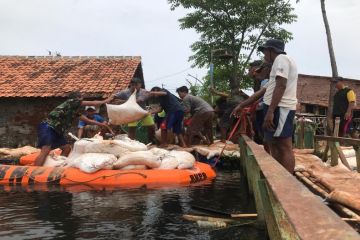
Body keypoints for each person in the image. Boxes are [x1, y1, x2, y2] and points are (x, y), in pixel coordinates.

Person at [232, 39, 298, 173]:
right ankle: (280, 174)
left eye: (264, 51)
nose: (264, 55)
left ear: (271, 50)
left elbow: (281, 85)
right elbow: (263, 91)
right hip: (274, 108)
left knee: (284, 145)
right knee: (274, 143)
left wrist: (270, 112)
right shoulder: (276, 66)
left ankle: (288, 180)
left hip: (281, 107)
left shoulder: (281, 59)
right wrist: (242, 105)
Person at [34, 92, 114, 166]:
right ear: (76, 98)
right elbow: (93, 102)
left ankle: (58, 165)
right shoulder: (71, 102)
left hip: (57, 131)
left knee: (67, 148)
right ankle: (34, 172)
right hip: (48, 127)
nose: (82, 100)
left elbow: (88, 121)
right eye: (81, 98)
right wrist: (106, 100)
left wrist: (101, 124)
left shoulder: (74, 111)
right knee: (46, 149)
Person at [115, 77, 155, 143]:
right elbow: (114, 96)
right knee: (132, 129)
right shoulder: (125, 92)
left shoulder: (144, 92)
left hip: (143, 112)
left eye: (137, 85)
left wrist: (122, 101)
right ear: (130, 85)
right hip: (132, 113)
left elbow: (139, 100)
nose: (134, 86)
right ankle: (131, 143)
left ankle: (151, 141)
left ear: (140, 85)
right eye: (133, 85)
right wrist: (107, 100)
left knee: (151, 127)